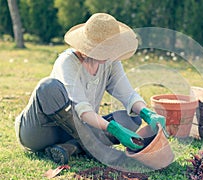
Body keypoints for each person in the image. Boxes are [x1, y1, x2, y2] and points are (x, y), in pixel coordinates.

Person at [15, 13, 166, 165]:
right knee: (48, 86)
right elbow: (83, 110)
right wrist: (114, 129)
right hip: (42, 131)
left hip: (76, 131)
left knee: (132, 118)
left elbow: (128, 94)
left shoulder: (110, 62)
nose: (110, 52)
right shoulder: (67, 62)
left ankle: (69, 148)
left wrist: (146, 113)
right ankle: (91, 147)